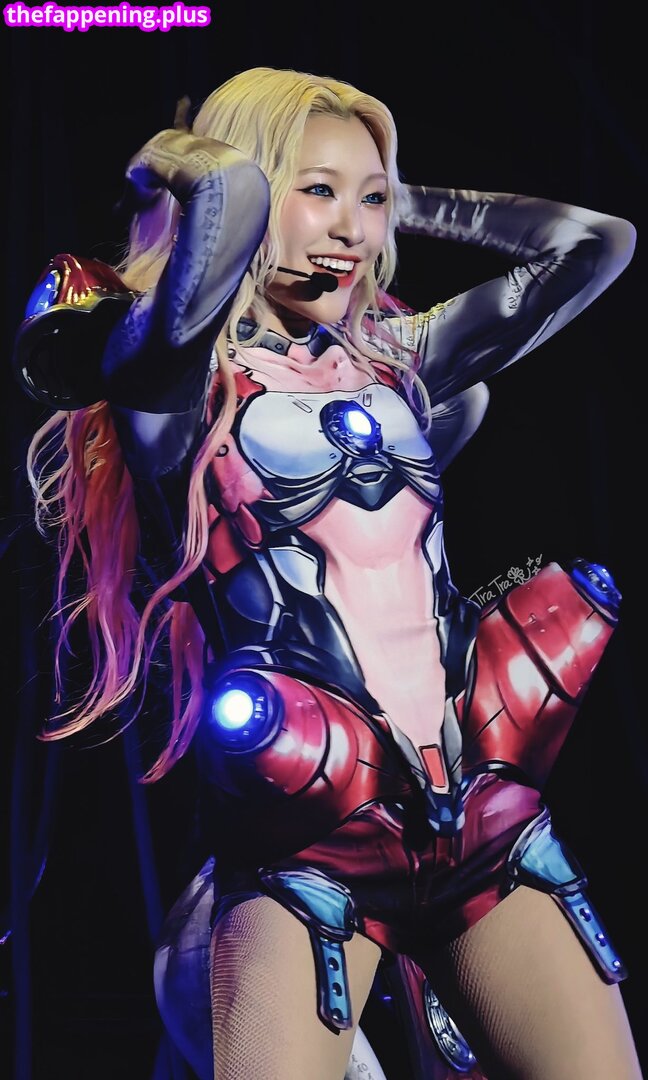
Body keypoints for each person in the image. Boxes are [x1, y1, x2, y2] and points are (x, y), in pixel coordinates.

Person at [13, 66, 641, 1080]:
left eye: (370, 200)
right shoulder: (170, 384)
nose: (351, 228)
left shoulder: (394, 362)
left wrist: (404, 193)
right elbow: (227, 198)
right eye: (316, 191)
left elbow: (598, 244)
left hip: (483, 820)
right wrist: (168, 160)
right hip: (309, 848)